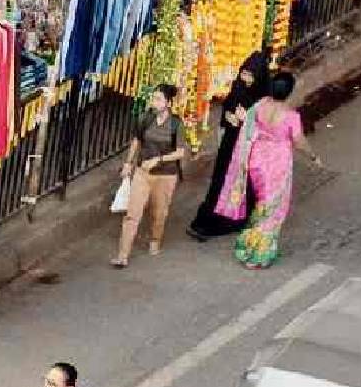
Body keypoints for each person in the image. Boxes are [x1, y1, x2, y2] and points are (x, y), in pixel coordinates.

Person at [215, 72, 323, 269]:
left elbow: (249, 125)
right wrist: (313, 156)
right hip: (277, 165)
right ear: (289, 92)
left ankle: (249, 245)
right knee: (273, 209)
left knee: (262, 203)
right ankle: (258, 254)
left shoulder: (260, 105)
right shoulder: (291, 116)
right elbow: (299, 141)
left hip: (256, 160)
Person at [189, 53, 269, 241]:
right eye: (244, 74)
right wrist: (229, 117)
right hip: (231, 143)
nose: (246, 79)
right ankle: (211, 217)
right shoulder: (238, 87)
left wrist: (246, 119)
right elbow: (227, 107)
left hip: (248, 149)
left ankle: (236, 218)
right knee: (221, 179)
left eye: (250, 76)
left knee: (241, 184)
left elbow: (266, 127)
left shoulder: (264, 98)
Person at [111, 84, 186, 268]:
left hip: (166, 175)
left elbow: (180, 153)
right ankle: (123, 254)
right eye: (154, 98)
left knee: (159, 212)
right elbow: (136, 141)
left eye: (159, 99)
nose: (154, 102)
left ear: (168, 103)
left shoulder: (176, 124)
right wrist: (128, 163)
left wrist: (158, 160)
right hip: (143, 172)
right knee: (132, 213)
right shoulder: (146, 118)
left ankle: (155, 239)